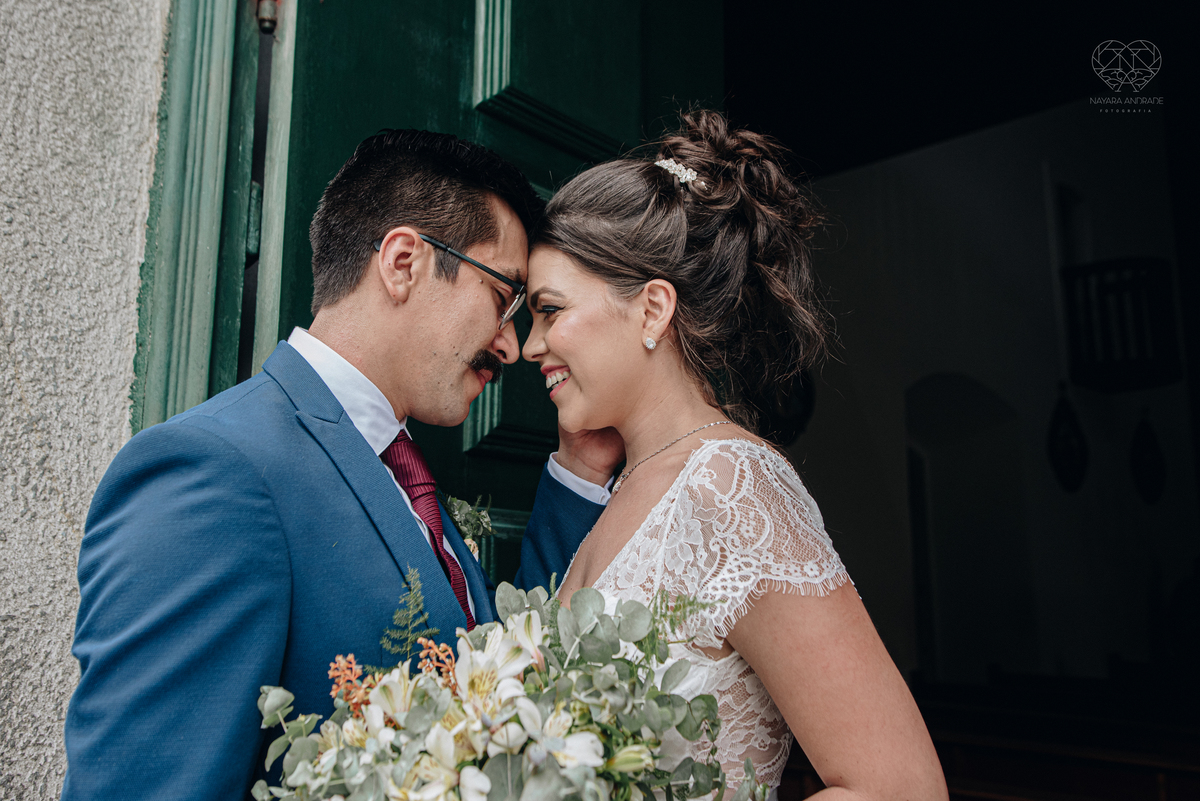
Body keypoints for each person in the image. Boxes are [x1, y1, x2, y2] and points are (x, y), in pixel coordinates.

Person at [62, 130, 615, 800]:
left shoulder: (403, 470)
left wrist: (581, 468)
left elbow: (498, 671)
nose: (511, 342)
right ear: (404, 261)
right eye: (505, 297)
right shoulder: (211, 470)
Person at [522, 111, 949, 800]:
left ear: (652, 309)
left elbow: (901, 787)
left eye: (549, 310)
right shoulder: (628, 487)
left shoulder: (731, 483)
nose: (530, 345)